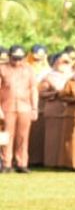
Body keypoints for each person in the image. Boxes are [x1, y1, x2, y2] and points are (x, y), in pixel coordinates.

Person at [0, 45, 39, 173]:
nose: (17, 61)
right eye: (15, 58)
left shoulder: (29, 70)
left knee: (23, 136)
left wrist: (34, 108)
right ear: (10, 56)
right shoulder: (2, 68)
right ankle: (6, 163)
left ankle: (22, 163)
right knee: (7, 136)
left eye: (20, 58)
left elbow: (33, 89)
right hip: (7, 106)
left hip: (25, 107)